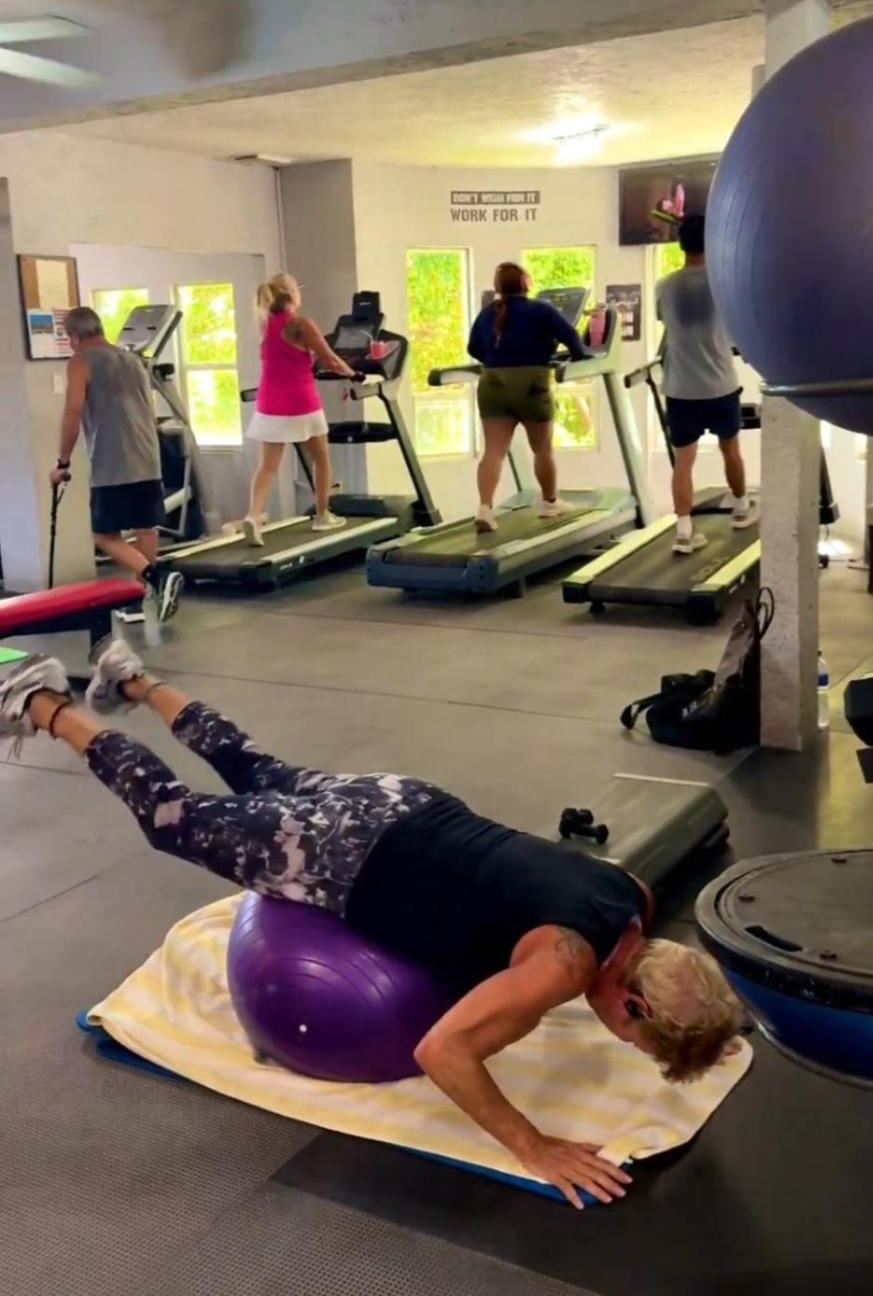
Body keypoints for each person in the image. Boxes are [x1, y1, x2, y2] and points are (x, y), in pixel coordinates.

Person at [0, 642, 744, 1210]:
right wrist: (534, 1145)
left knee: (252, 764)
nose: (621, 1040)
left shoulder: (631, 896)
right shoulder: (564, 963)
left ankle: (130, 676)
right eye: (632, 1037)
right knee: (170, 814)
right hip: (340, 855)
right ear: (632, 1002)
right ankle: (42, 700)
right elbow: (441, 1051)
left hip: (402, 801)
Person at [50, 306, 183, 624]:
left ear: (75, 336)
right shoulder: (133, 360)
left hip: (112, 461)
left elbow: (72, 412)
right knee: (145, 527)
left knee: (104, 535)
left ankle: (156, 577)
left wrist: (62, 462)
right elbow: (149, 411)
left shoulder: (80, 362)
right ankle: (142, 600)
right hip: (147, 455)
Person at [656, 215, 758, 555]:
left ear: (681, 244)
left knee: (683, 461)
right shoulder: (723, 282)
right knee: (730, 449)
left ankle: (684, 531)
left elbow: (666, 320)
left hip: (680, 389)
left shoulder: (664, 286)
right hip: (719, 386)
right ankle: (741, 507)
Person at [467, 263, 588, 534]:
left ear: (498, 286)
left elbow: (473, 348)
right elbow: (572, 338)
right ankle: (549, 502)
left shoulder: (488, 313)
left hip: (492, 383)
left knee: (494, 451)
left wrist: (498, 357)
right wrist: (578, 355)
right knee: (542, 449)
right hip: (532, 383)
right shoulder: (541, 309)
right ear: (525, 283)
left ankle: (485, 508)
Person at [243, 273, 356, 546]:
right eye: (298, 288)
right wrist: (354, 374)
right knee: (321, 457)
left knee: (267, 466)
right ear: (292, 293)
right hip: (300, 402)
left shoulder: (264, 324)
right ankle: (322, 515)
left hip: (269, 403)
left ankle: (253, 516)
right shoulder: (302, 325)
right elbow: (330, 360)